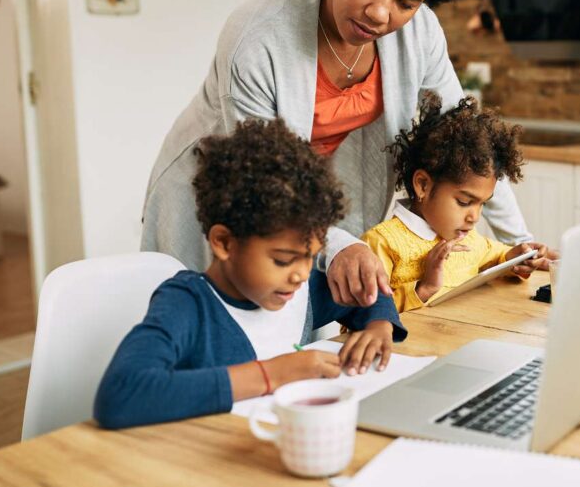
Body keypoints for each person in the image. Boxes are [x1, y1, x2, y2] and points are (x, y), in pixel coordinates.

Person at [141, 0, 540, 310]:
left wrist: (521, 243)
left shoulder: (420, 31)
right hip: (224, 192)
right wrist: (339, 244)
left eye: (407, 2)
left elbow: (476, 146)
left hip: (307, 201)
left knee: (307, 331)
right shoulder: (258, 39)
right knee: (211, 331)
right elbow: (261, 175)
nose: (381, 13)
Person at [95, 119, 406, 430]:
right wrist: (270, 374)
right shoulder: (188, 305)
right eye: (284, 260)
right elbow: (121, 394)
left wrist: (379, 328)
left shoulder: (295, 290)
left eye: (311, 256)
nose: (302, 274)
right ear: (225, 243)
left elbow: (366, 294)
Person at [362, 95, 552, 312]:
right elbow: (362, 318)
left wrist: (518, 257)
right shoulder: (381, 243)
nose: (475, 217)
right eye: (464, 202)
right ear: (423, 185)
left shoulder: (468, 239)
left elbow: (497, 256)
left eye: (482, 204)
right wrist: (424, 288)